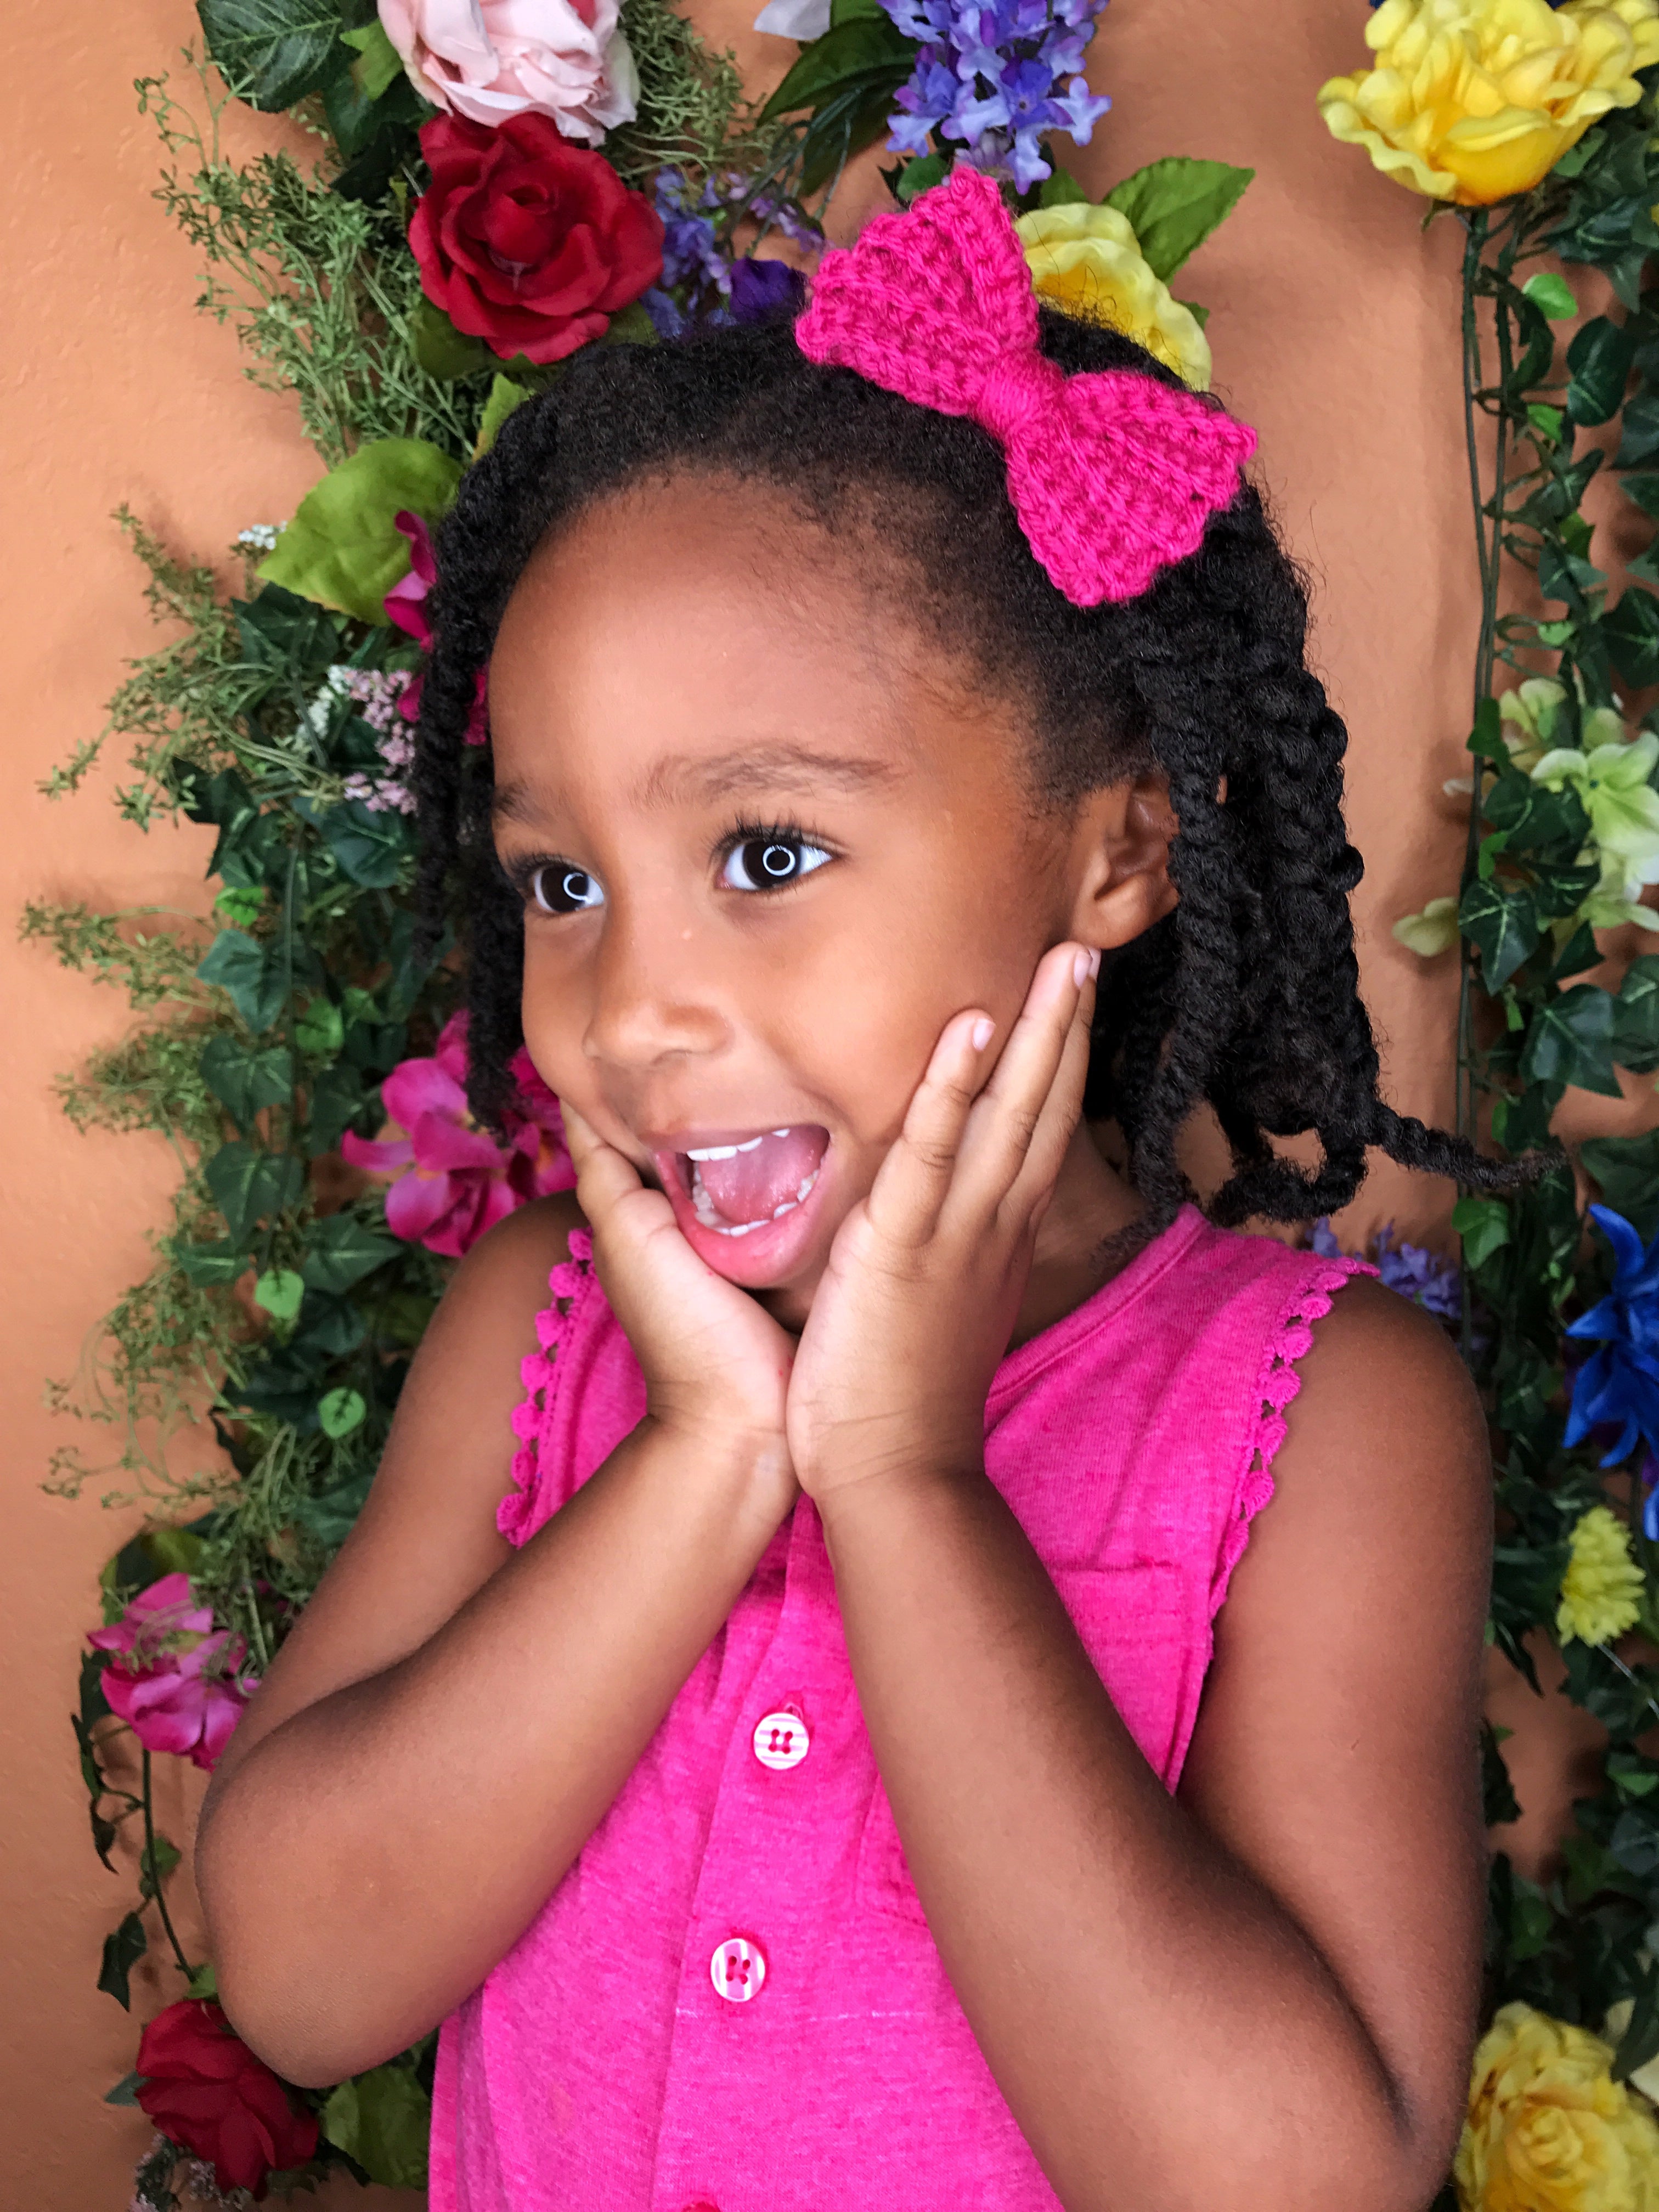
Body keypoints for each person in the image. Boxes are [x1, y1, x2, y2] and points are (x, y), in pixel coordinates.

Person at [198, 170, 1502, 2212]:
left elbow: (1292, 2184)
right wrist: (708, 1451)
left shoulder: (1318, 1422)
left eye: (770, 855)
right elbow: (294, 1977)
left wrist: (901, 1479)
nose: (632, 1009)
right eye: (561, 885)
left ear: (1118, 851)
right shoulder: (542, 1332)